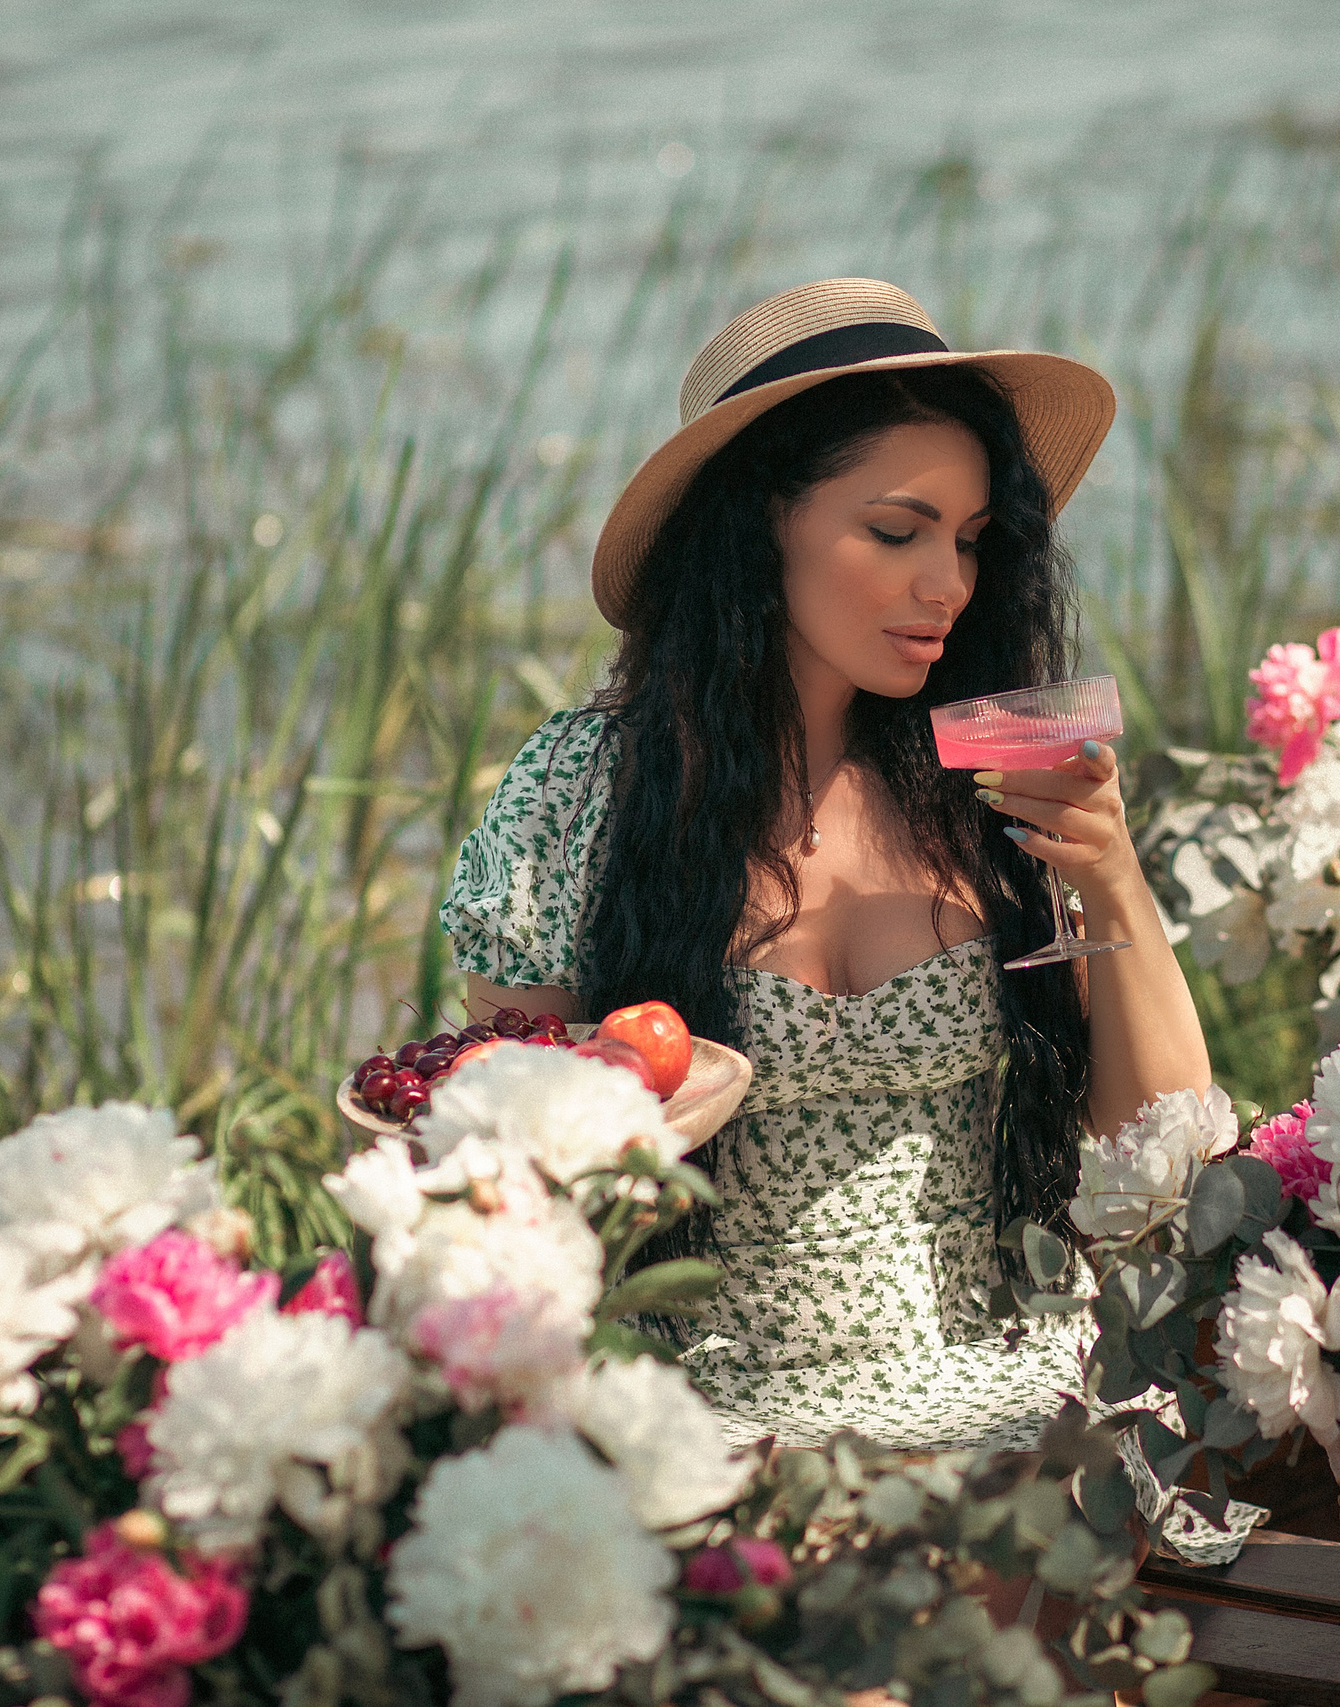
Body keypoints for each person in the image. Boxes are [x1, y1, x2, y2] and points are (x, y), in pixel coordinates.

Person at [440, 277, 1210, 1452]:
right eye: (895, 532)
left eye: (967, 540)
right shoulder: (588, 790)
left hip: (996, 1379)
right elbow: (502, 1176)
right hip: (699, 1413)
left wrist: (1113, 880)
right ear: (758, 524)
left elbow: (1166, 1152)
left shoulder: (994, 766)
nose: (947, 585)